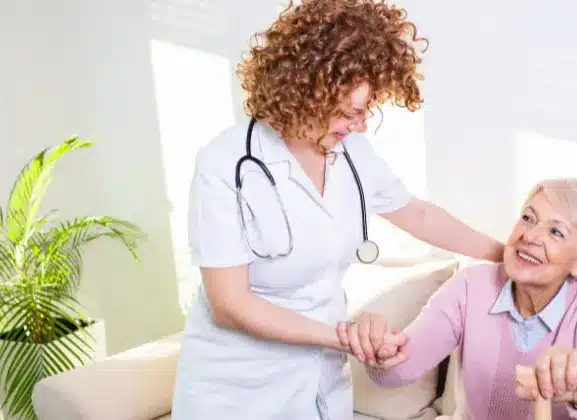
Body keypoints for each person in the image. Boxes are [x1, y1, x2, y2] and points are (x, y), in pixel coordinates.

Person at [170, 0, 505, 419]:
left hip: (322, 384)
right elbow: (230, 304)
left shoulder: (353, 154)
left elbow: (418, 215)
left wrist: (504, 254)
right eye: (350, 113)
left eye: (367, 110)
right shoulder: (226, 164)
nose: (361, 125)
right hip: (237, 390)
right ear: (308, 92)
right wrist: (344, 338)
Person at [339, 178, 577, 419]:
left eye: (556, 232)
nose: (530, 236)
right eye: (528, 218)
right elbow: (397, 371)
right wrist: (379, 350)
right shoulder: (471, 286)